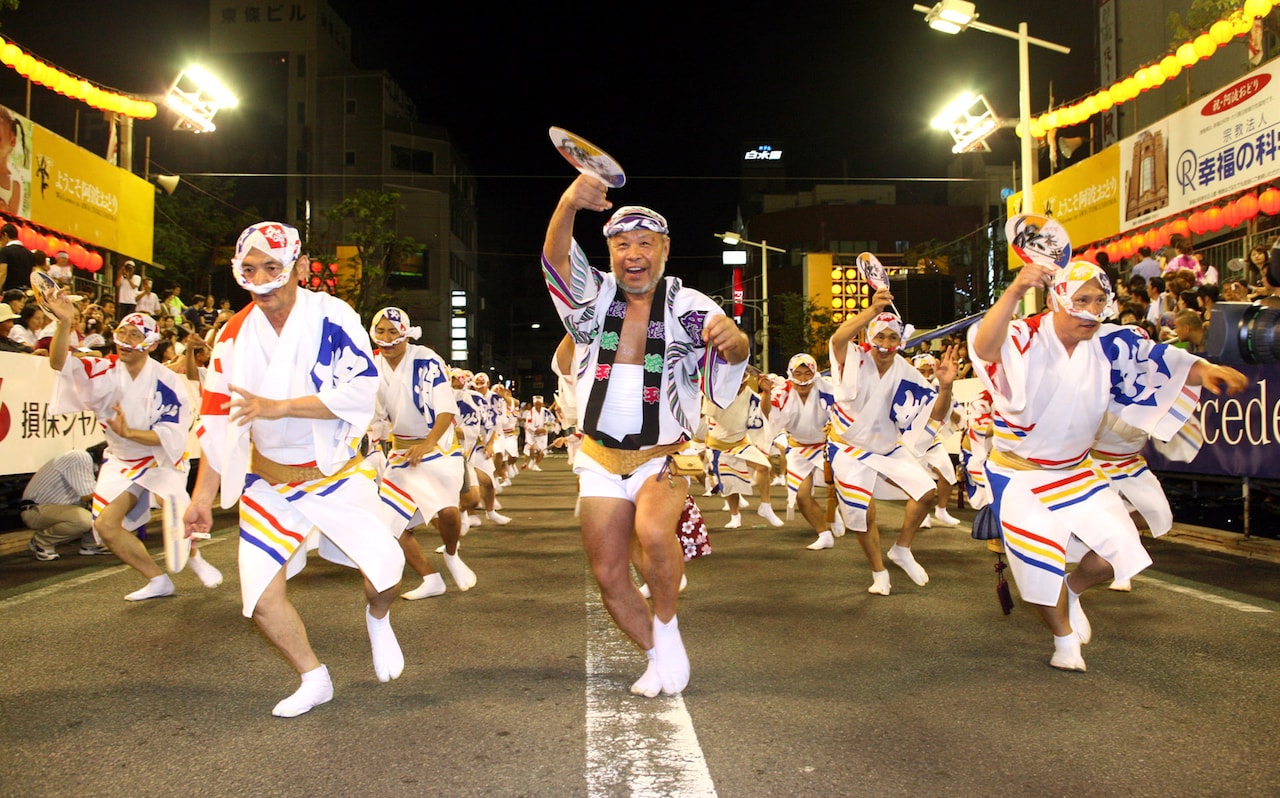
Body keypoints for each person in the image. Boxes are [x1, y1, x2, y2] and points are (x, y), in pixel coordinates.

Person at [968, 257, 1248, 671]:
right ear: (1055, 299)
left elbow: (1161, 362)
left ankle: (1074, 587)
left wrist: (1204, 371)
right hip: (1020, 473)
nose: (1092, 309)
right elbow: (986, 348)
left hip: (1077, 470)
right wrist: (1013, 291)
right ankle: (1063, 640)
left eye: (1099, 300)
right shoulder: (1024, 334)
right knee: (1038, 566)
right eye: (1081, 299)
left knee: (1120, 551)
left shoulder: (1109, 343)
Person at [184, 222, 407, 717]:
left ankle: (377, 617)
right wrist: (201, 497)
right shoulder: (232, 336)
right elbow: (217, 423)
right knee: (260, 596)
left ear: (299, 268)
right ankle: (313, 676)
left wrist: (278, 407)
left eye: (272, 266)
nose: (261, 278)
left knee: (386, 578)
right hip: (269, 482)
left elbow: (357, 393)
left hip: (336, 477)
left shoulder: (334, 316)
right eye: (249, 268)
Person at [542, 175, 749, 697]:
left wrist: (738, 342)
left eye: (645, 243)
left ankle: (668, 626)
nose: (633, 254)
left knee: (656, 535)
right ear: (609, 252)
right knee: (609, 574)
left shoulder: (693, 306)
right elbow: (557, 260)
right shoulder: (593, 299)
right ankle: (659, 654)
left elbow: (732, 355)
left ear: (665, 250)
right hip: (597, 456)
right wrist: (569, 202)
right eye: (621, 244)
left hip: (663, 454)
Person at [43, 299, 223, 599]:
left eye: (134, 336)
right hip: (121, 459)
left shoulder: (166, 382)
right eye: (123, 333)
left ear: (150, 344)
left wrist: (131, 432)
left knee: (175, 508)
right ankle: (157, 580)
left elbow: (171, 436)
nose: (125, 341)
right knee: (105, 526)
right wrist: (64, 323)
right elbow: (59, 363)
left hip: (159, 459)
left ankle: (194, 557)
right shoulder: (103, 369)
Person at [825, 294, 958, 594]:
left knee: (927, 492)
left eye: (893, 336)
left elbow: (934, 414)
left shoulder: (907, 371)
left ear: (901, 341)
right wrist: (872, 310)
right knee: (863, 514)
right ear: (870, 337)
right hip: (848, 447)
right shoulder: (855, 358)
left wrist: (945, 387)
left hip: (886, 447)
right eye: (880, 335)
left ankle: (901, 548)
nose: (886, 342)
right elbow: (837, 340)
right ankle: (878, 572)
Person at [369, 306, 471, 599]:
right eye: (380, 331)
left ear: (405, 333)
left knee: (449, 513)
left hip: (439, 446)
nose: (387, 338)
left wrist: (428, 443)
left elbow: (445, 408)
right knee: (390, 522)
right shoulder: (371, 366)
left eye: (393, 331)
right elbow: (371, 415)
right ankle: (430, 577)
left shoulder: (426, 359)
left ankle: (451, 553)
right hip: (401, 452)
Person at [762, 353, 837, 549]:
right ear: (791, 373)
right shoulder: (783, 391)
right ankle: (824, 533)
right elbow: (768, 413)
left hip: (827, 446)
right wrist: (766, 393)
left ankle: (836, 509)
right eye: (798, 373)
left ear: (814, 372)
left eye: (807, 373)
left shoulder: (827, 388)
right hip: (798, 448)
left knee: (844, 488)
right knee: (801, 496)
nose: (803, 378)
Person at [703, 371, 783, 529]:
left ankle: (765, 506)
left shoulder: (750, 395)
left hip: (740, 441)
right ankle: (735, 515)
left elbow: (764, 411)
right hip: (717, 445)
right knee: (728, 484)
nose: (740, 386)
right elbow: (708, 411)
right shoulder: (717, 394)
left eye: (742, 383)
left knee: (764, 466)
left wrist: (766, 392)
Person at [21, 445, 107, 560]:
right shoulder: (80, 457)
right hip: (35, 510)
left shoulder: (92, 466)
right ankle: (41, 542)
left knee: (105, 509)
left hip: (58, 509)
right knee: (84, 520)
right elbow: (88, 495)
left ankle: (91, 545)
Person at [0, 222, 36, 291]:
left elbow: (2, 273)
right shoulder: (30, 254)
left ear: (5, 235)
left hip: (9, 292)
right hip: (25, 292)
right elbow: (33, 275)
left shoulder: (5, 251)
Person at [523, 394, 555, 470]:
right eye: (536, 404)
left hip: (543, 434)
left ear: (542, 404)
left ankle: (536, 464)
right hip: (532, 434)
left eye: (539, 404)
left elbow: (552, 421)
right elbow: (528, 425)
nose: (538, 405)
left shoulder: (546, 411)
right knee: (531, 447)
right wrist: (536, 430)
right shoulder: (530, 413)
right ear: (534, 404)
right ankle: (532, 460)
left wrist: (546, 429)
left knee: (542, 452)